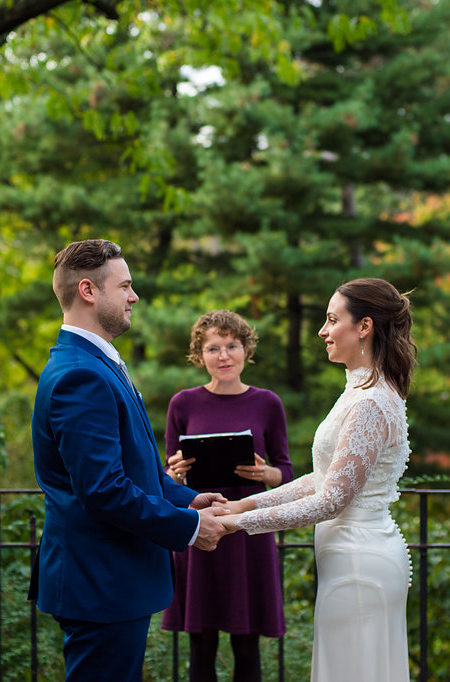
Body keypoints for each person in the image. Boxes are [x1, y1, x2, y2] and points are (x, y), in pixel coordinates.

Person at [29, 239, 229, 682]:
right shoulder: (80, 375)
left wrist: (188, 499)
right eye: (125, 286)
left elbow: (133, 469)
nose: (133, 296)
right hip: (102, 582)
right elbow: (104, 489)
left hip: (113, 581)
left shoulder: (98, 363)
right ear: (88, 291)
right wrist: (190, 529)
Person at [219, 278, 417, 682]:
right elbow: (324, 478)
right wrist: (248, 503)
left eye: (331, 320)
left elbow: (331, 500)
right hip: (348, 557)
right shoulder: (358, 389)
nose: (322, 331)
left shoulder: (370, 402)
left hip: (360, 564)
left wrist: (237, 524)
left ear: (364, 326)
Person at [161, 310, 294, 682]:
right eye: (213, 348)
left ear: (246, 350)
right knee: (200, 646)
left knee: (247, 646)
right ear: (198, 355)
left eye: (232, 346)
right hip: (202, 531)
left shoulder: (268, 403)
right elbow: (168, 480)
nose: (223, 355)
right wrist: (174, 473)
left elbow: (286, 472)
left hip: (248, 532)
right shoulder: (182, 404)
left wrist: (263, 472)